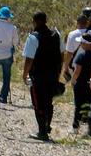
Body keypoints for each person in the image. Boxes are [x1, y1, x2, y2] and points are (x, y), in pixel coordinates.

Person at [22, 11, 63, 141]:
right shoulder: (56, 35)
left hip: (38, 76)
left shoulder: (33, 37)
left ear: (34, 21)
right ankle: (47, 127)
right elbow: (62, 55)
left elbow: (29, 59)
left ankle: (42, 132)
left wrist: (24, 74)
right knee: (48, 102)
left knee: (38, 103)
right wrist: (58, 72)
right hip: (53, 75)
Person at [69, 32, 91, 132]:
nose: (81, 45)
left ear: (85, 43)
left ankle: (75, 127)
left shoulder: (81, 56)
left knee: (78, 106)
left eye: (81, 43)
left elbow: (77, 70)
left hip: (81, 84)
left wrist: (73, 81)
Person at [60, 9, 91, 80]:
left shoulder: (72, 34)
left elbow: (69, 53)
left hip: (77, 66)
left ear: (77, 23)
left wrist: (65, 68)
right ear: (87, 23)